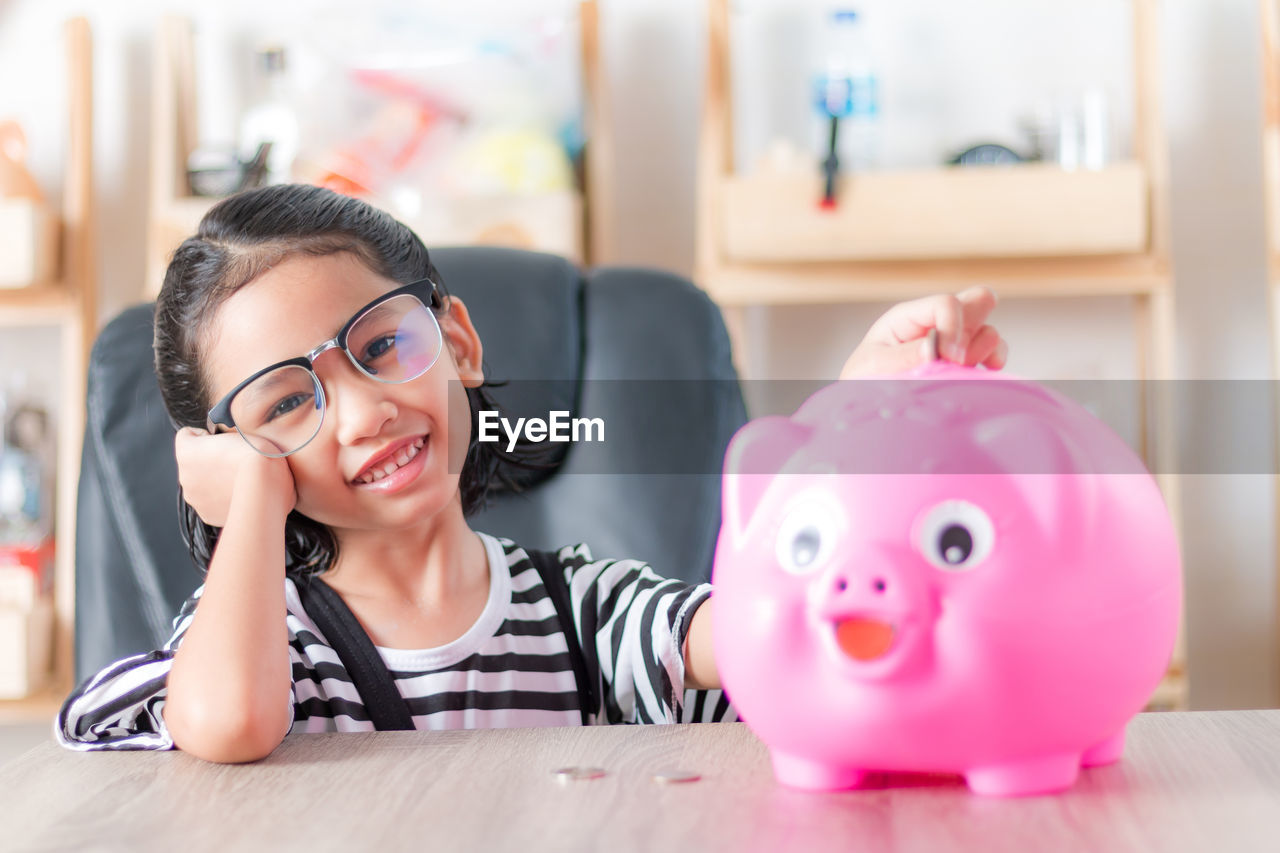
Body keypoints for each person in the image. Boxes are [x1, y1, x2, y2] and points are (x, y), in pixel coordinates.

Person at [56, 184, 1007, 763]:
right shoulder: (264, 641)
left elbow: (775, 625)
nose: (364, 410)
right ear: (232, 455)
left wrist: (851, 434)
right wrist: (255, 503)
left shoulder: (581, 609)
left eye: (383, 344)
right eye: (285, 404)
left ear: (457, 341)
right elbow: (226, 724)